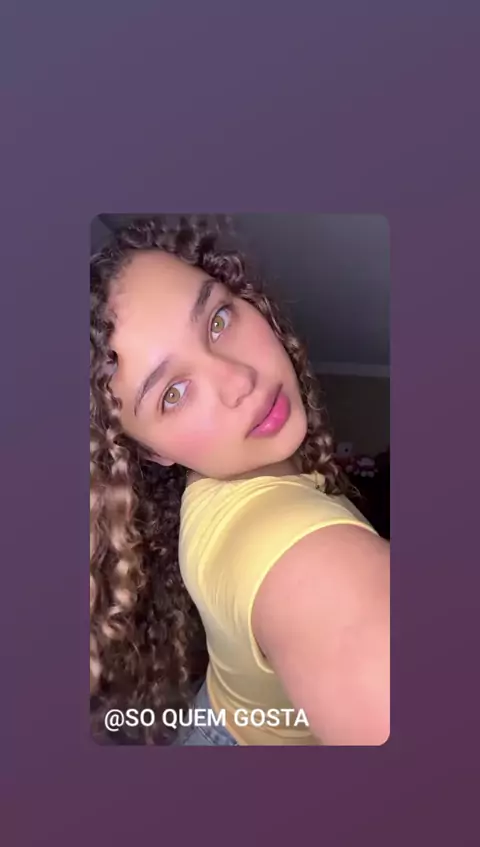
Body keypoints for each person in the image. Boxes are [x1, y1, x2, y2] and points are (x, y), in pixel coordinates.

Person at [90, 215, 390, 747]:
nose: (239, 380)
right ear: (153, 452)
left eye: (218, 320)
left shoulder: (214, 484)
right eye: (173, 393)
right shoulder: (303, 557)